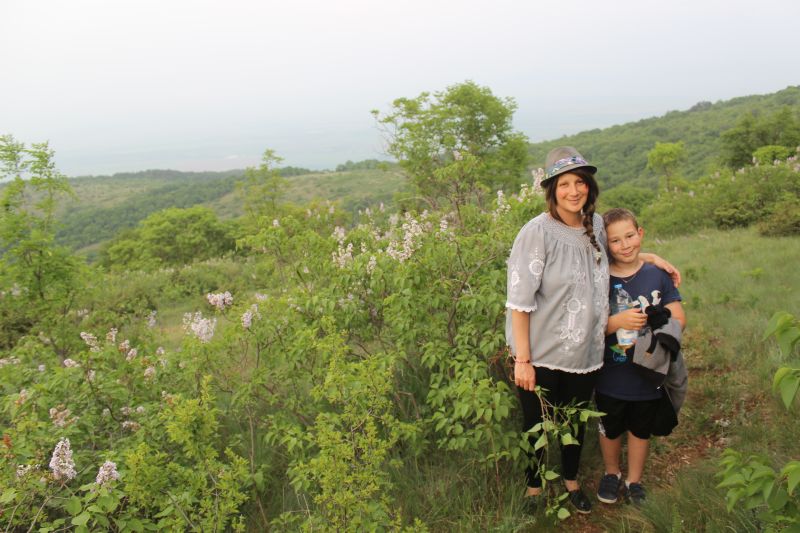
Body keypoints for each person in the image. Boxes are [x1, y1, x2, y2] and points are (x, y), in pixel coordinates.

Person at [506, 147, 679, 515]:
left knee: (574, 421)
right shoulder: (536, 232)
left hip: (586, 352)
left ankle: (571, 483)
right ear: (551, 190)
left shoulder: (596, 225)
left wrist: (651, 258)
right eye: (564, 184)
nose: (574, 191)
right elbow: (519, 302)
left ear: (589, 186)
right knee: (536, 424)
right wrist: (523, 359)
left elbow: (618, 254)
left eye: (580, 182)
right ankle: (534, 488)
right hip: (541, 352)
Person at [594, 208, 686, 506]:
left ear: (640, 233)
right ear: (606, 245)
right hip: (610, 373)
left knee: (640, 428)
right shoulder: (600, 279)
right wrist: (616, 323)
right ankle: (611, 472)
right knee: (610, 427)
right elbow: (587, 327)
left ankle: (634, 480)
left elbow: (679, 317)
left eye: (630, 236)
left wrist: (660, 323)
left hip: (649, 371)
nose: (625, 245)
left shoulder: (656, 275)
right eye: (615, 240)